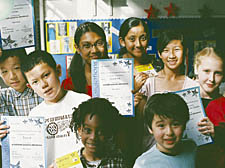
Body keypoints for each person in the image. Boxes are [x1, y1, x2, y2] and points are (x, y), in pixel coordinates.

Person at [20, 50, 90, 167]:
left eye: (46, 75)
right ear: (30, 86)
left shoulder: (83, 102)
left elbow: (96, 146)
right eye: (35, 82)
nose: (43, 85)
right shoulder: (34, 116)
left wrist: (64, 163)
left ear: (58, 70)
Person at [133, 93, 196, 168]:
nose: (169, 132)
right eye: (161, 125)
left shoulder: (192, 148)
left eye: (175, 124)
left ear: (184, 124)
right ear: (150, 128)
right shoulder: (143, 164)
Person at [70, 97, 129, 168]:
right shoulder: (67, 163)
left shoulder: (118, 162)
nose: (93, 137)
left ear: (108, 133)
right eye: (88, 130)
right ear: (79, 130)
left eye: (101, 132)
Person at [0, 48, 43, 138]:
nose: (12, 76)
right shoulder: (3, 97)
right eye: (4, 72)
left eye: (16, 68)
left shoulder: (42, 92)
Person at [193, 47, 225, 168]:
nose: (211, 79)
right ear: (196, 69)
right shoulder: (183, 101)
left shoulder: (223, 104)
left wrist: (216, 132)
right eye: (206, 71)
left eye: (218, 73)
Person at [61, 22, 109, 96]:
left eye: (99, 43)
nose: (94, 50)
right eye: (87, 46)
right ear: (77, 48)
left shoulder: (120, 77)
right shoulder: (69, 85)